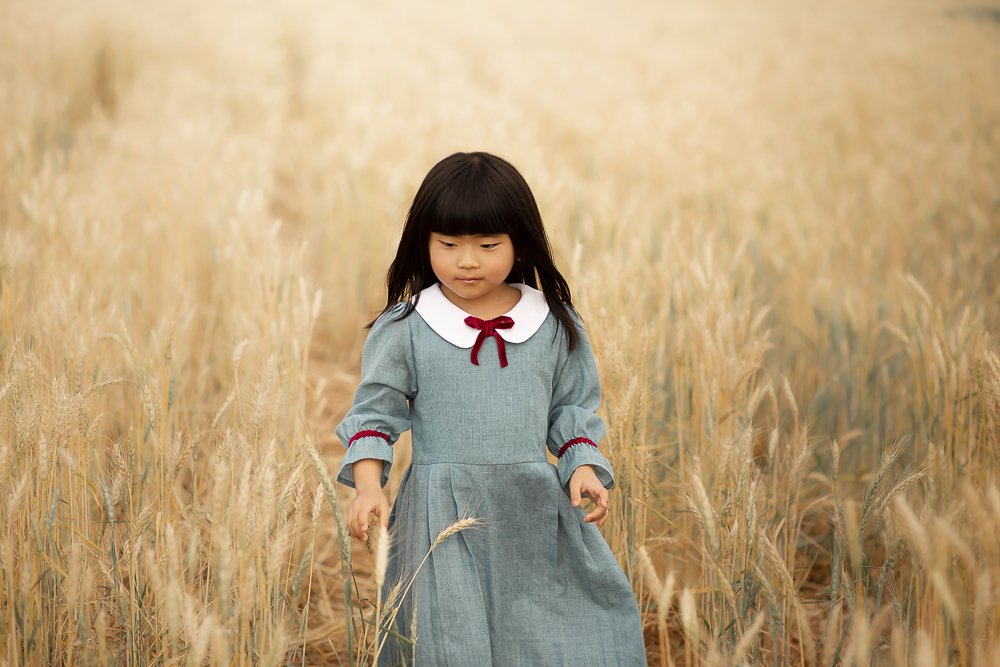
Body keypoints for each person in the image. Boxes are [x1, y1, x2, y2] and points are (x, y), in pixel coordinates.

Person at [333, 151, 647, 665]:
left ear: (520, 242)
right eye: (448, 244)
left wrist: (583, 467)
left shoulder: (552, 322)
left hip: (531, 510)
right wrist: (369, 487)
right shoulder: (408, 325)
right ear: (423, 243)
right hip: (440, 515)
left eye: (487, 245)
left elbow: (570, 408)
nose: (468, 260)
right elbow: (375, 414)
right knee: (450, 639)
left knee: (554, 631)